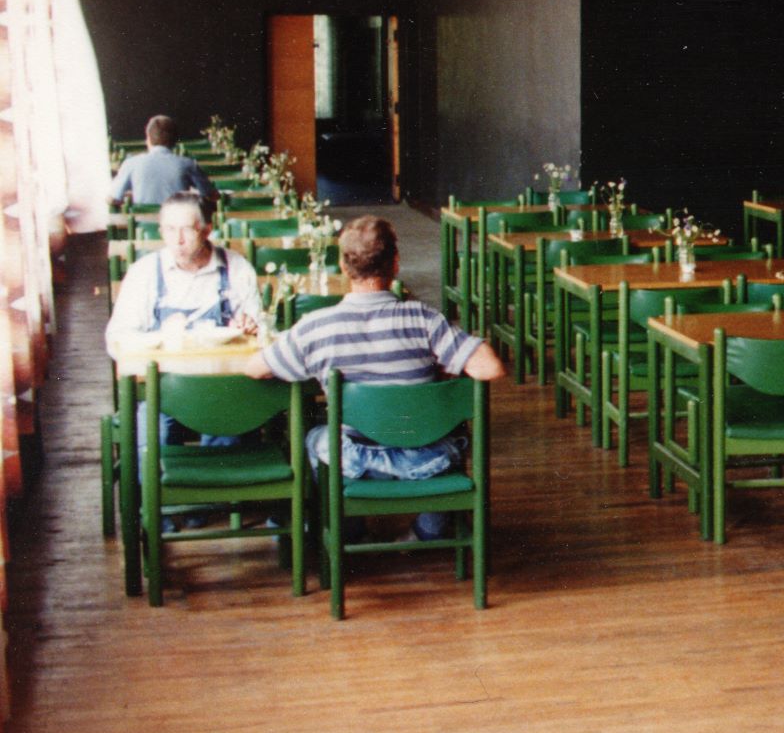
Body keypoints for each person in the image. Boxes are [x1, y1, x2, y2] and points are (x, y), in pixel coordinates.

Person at [247, 215, 504, 541]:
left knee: (311, 438)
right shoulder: (425, 319)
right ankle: (429, 529)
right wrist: (444, 373)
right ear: (395, 264)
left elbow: (256, 368)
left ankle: (349, 531)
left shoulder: (316, 326)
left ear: (343, 266)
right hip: (423, 460)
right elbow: (491, 368)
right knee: (451, 430)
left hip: (353, 461)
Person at [104, 191, 264, 487]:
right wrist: (156, 341)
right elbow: (116, 339)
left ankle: (213, 497)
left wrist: (251, 327)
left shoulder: (236, 268)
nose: (177, 240)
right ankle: (159, 502)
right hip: (164, 389)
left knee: (229, 431)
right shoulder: (145, 273)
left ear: (206, 229)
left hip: (223, 387)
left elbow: (262, 333)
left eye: (187, 230)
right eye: (169, 229)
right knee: (151, 437)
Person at [108, 115, 214, 206]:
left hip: (143, 223)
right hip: (178, 221)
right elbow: (212, 196)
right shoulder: (188, 164)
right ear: (175, 141)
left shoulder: (131, 163)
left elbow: (112, 199)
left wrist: (133, 199)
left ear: (148, 139)